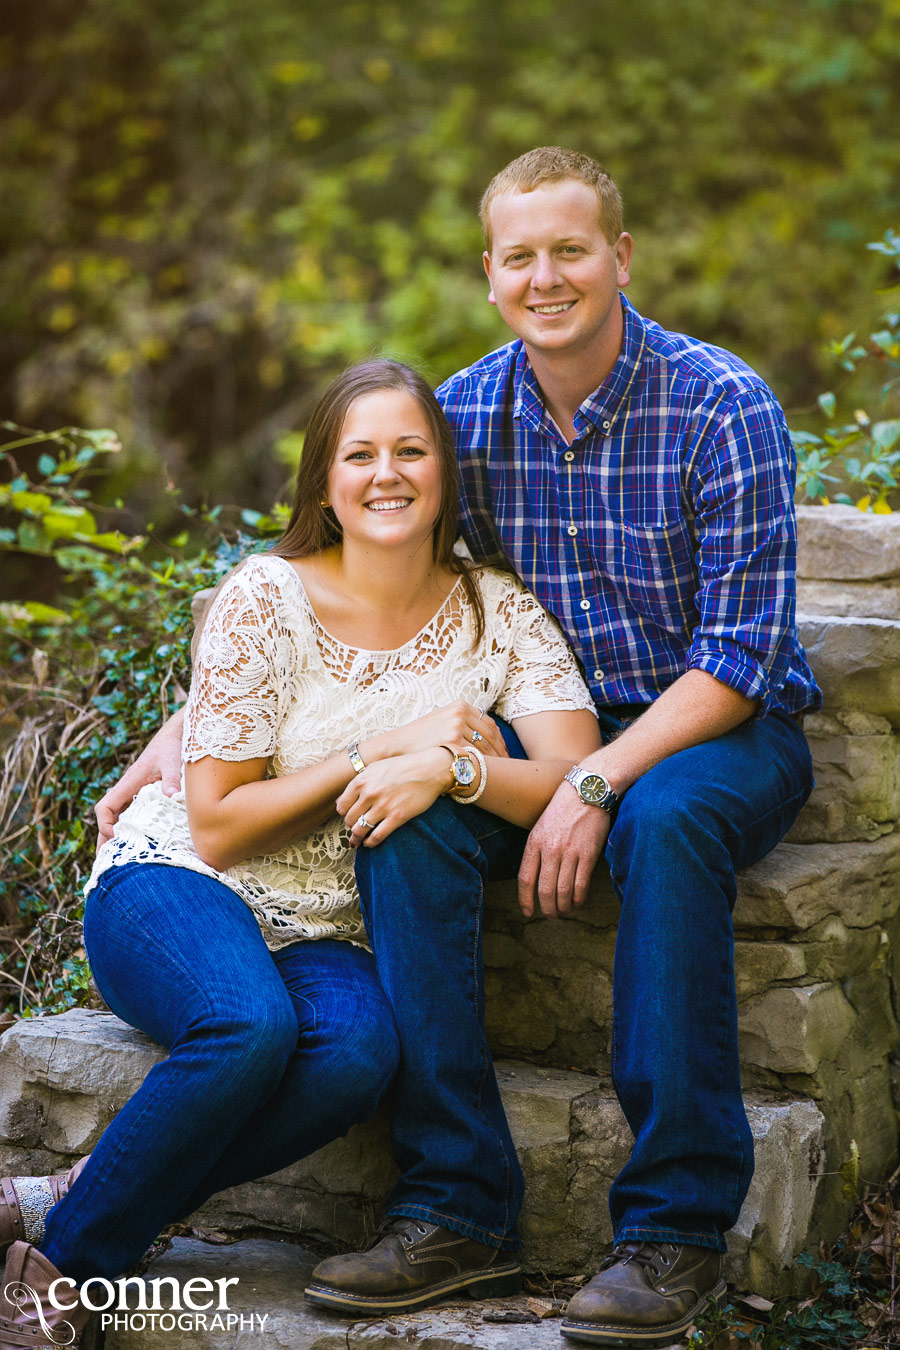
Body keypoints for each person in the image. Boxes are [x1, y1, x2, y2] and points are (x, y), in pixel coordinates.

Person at [92, 148, 821, 1348]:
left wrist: (597, 779)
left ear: (620, 259)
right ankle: (456, 1204)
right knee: (414, 807)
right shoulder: (466, 415)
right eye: (520, 256)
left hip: (708, 730)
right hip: (541, 731)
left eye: (571, 250)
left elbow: (740, 658)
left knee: (667, 817)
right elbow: (358, 576)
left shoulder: (720, 403)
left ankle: (675, 1225)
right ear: (490, 273)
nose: (548, 278)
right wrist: (188, 727)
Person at [0, 359, 600, 1346]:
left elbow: (575, 775)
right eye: (359, 454)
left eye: (411, 450)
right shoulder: (266, 597)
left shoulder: (498, 611)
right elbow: (225, 820)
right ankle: (64, 1275)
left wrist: (454, 769)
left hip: (327, 929)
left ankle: (80, 1191)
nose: (387, 473)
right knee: (247, 1027)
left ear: (446, 471)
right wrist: (375, 749)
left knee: (362, 1053)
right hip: (180, 880)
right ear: (324, 482)